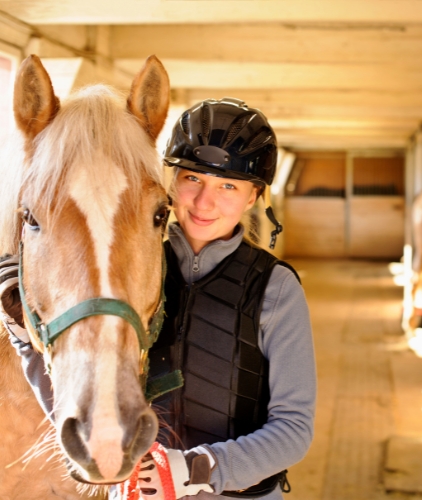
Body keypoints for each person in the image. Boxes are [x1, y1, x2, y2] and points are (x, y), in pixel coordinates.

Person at [0, 97, 317, 500]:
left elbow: (294, 429)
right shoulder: (138, 272)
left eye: (228, 187)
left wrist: (193, 470)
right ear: (172, 182)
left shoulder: (275, 288)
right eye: (193, 179)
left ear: (253, 197)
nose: (205, 202)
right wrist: (26, 341)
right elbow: (89, 396)